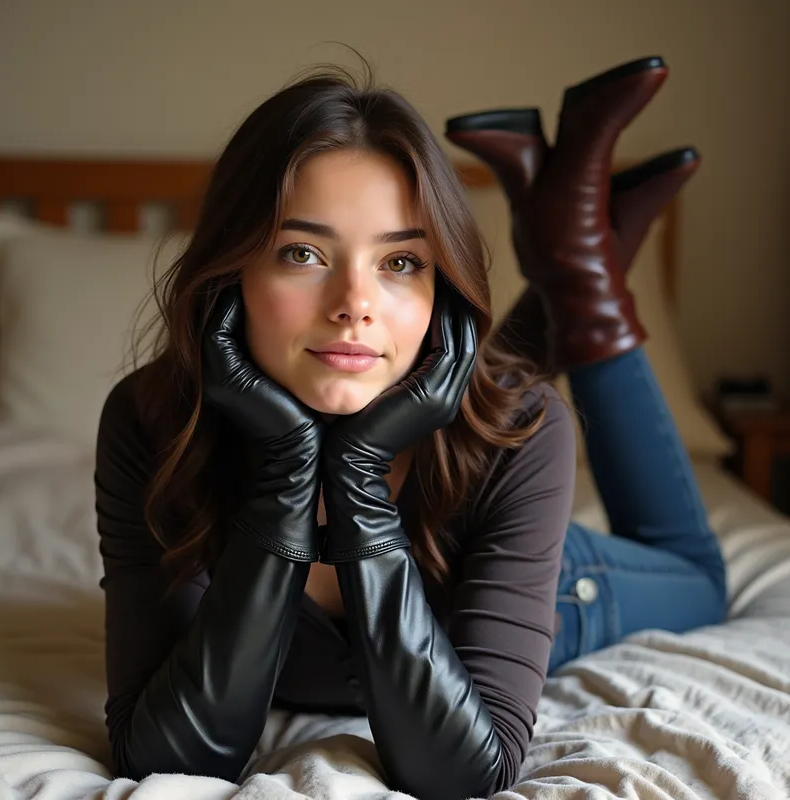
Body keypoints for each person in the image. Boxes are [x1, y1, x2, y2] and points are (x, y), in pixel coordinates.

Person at [95, 56, 727, 800]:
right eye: (302, 253)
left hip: (544, 588)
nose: (354, 303)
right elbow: (167, 758)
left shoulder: (518, 434)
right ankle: (572, 251)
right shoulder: (153, 422)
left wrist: (357, 480)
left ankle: (581, 269)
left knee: (702, 583)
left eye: (400, 261)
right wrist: (290, 471)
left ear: (442, 301)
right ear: (229, 276)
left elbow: (468, 773)